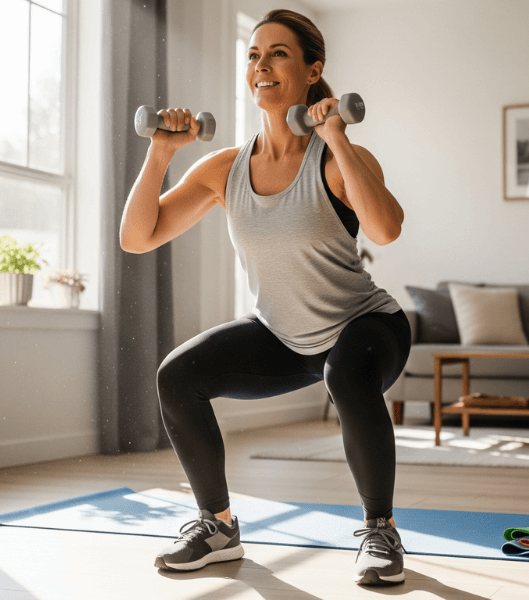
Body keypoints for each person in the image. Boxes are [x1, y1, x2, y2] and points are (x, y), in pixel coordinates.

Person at [120, 8, 411, 587]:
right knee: (177, 376)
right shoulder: (224, 169)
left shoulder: (333, 160)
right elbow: (136, 238)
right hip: (283, 336)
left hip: (366, 327)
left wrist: (337, 137)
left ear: (312, 70)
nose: (261, 66)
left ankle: (381, 530)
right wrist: (160, 153)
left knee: (348, 374)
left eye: (277, 53)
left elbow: (385, 230)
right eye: (253, 55)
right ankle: (218, 526)